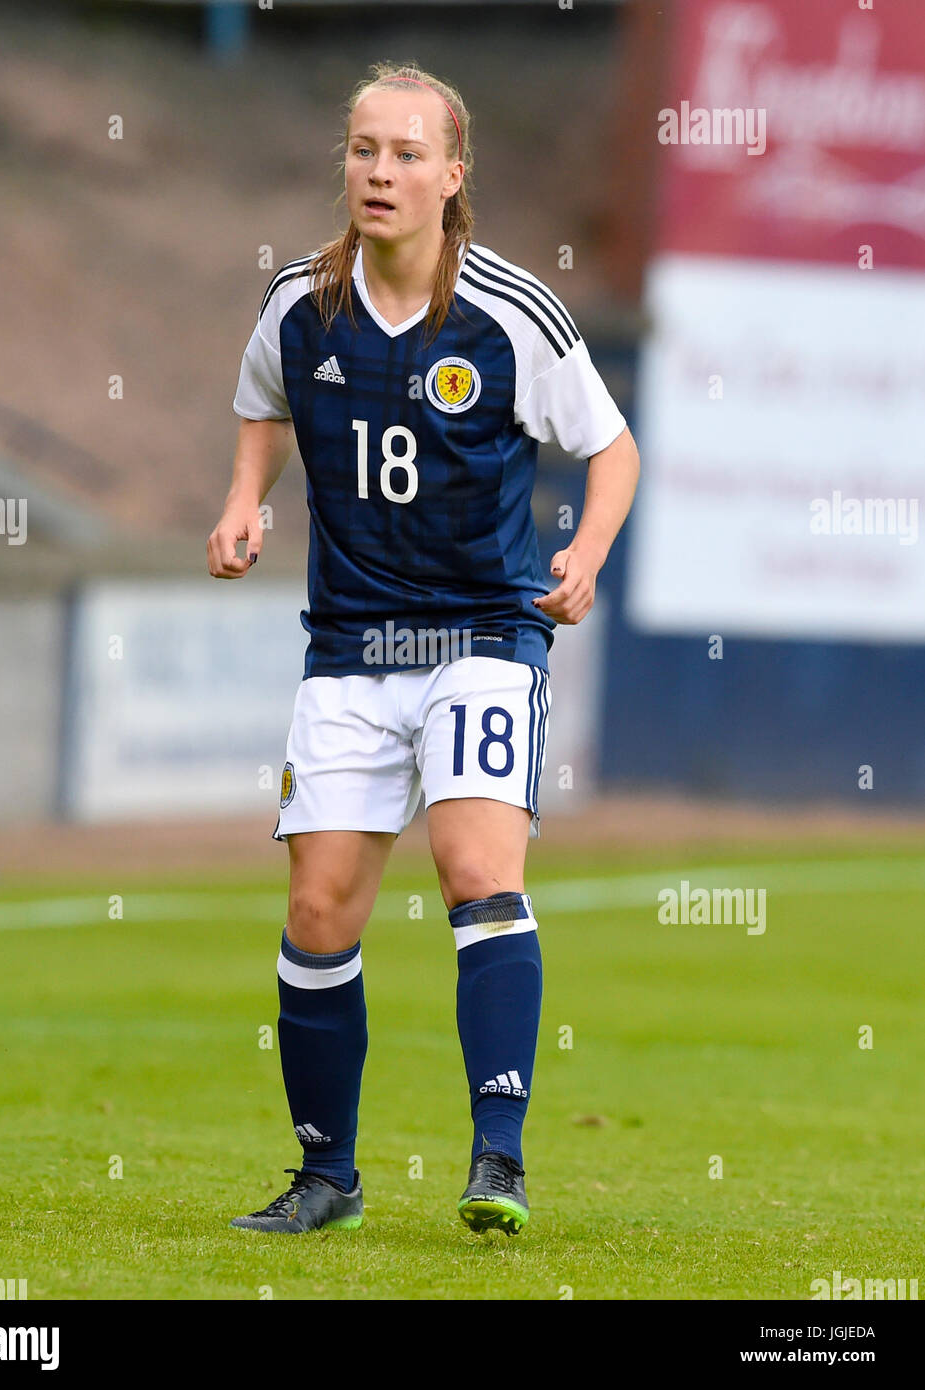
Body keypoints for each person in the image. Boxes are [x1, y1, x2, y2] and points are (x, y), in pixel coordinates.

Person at [207, 61, 640, 1236]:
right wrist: (248, 499)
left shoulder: (509, 313)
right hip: (349, 645)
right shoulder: (299, 305)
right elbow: (264, 406)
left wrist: (588, 553)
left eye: (406, 153)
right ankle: (325, 1175)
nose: (380, 172)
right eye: (363, 150)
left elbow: (613, 449)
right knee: (319, 914)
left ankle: (497, 1159)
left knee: (476, 873)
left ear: (454, 177)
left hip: (482, 637)